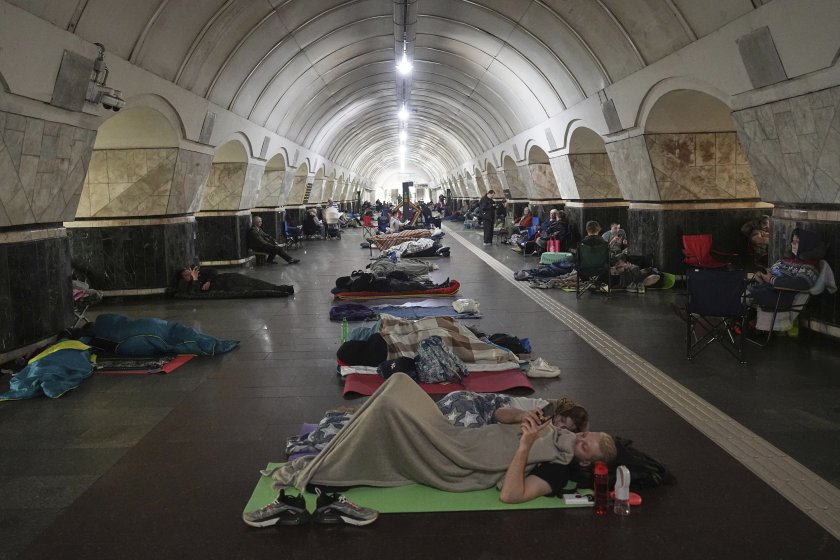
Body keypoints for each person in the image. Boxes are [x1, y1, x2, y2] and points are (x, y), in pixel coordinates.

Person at [243, 374, 616, 526]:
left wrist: (526, 445)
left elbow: (511, 494)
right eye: (587, 435)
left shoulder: (557, 469)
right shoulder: (549, 427)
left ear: (588, 463)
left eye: (586, 446)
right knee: (399, 382)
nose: (579, 440)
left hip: (456, 458)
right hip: (460, 435)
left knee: (389, 412)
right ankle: (350, 438)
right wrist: (521, 418)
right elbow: (498, 416)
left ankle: (325, 471)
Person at [748, 228, 824, 309]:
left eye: (797, 241)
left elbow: (802, 283)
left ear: (806, 244)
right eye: (792, 240)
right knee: (742, 288)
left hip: (780, 296)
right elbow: (772, 271)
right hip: (766, 290)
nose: (792, 243)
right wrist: (762, 275)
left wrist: (771, 279)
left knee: (742, 294)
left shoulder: (810, 265)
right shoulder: (786, 260)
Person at [176, 266, 294, 296]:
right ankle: (281, 291)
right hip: (227, 287)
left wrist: (208, 281)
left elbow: (213, 271)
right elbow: (195, 293)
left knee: (255, 282)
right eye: (186, 275)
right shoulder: (190, 285)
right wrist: (195, 279)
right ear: (183, 279)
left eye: (189, 272)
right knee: (253, 288)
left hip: (228, 278)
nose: (189, 275)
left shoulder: (199, 272)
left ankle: (283, 288)